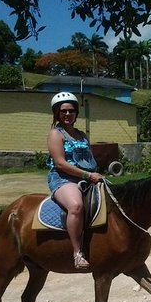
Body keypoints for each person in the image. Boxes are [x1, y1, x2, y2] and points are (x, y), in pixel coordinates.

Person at [46, 92, 103, 269]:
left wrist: (96, 174)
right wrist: (87, 176)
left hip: (87, 177)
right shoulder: (56, 134)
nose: (68, 114)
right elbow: (61, 164)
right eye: (63, 111)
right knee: (76, 206)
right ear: (57, 113)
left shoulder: (81, 135)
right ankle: (77, 252)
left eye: (71, 111)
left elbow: (90, 161)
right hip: (63, 178)